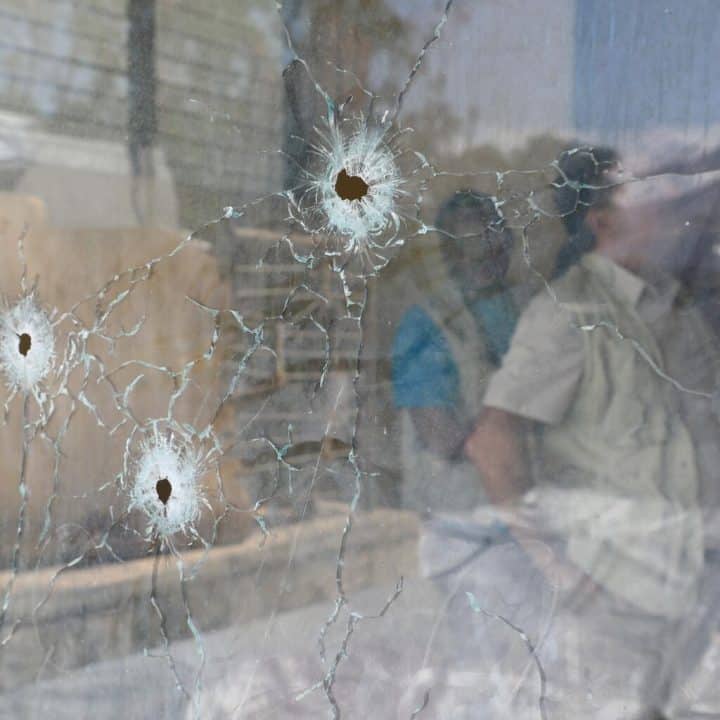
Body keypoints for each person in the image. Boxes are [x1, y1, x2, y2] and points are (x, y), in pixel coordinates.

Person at [464, 145, 720, 718]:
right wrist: (554, 568)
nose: (670, 204)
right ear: (601, 221)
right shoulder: (568, 313)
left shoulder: (672, 306)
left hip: (697, 595)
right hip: (615, 601)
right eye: (646, 195)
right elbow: (491, 439)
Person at [392, 190, 517, 522]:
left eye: (495, 239)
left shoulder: (522, 307)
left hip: (526, 507)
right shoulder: (426, 325)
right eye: (473, 244)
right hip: (461, 521)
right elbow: (440, 438)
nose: (488, 254)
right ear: (449, 254)